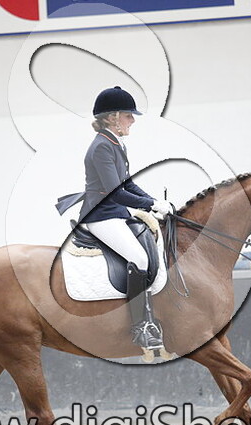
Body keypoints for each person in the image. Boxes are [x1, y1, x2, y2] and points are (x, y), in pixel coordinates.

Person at [60, 86, 171, 351]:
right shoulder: (101, 147)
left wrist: (154, 202)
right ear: (112, 118)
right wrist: (150, 204)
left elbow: (128, 185)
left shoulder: (115, 144)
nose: (132, 120)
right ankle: (140, 326)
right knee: (139, 259)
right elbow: (115, 191)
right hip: (101, 216)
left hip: (116, 213)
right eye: (128, 115)